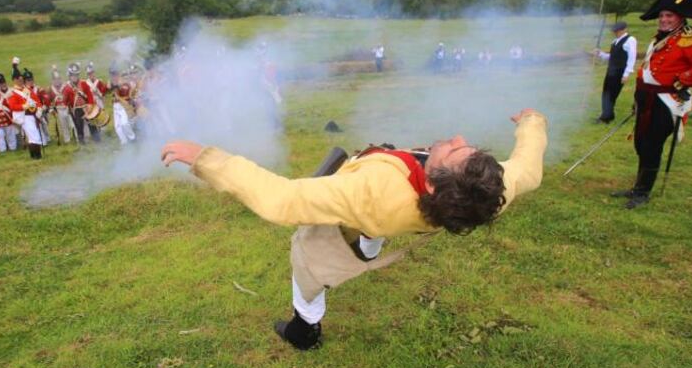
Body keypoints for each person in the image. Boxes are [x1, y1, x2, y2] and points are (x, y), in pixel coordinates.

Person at [161, 108, 548, 350]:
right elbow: (527, 169)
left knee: (306, 269)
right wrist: (532, 123)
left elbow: (282, 199)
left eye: (452, 151)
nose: (458, 139)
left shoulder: (369, 193)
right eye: (466, 147)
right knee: (371, 233)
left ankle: (304, 330)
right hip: (388, 219)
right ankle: (367, 244)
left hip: (368, 211)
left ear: (433, 184)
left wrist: (205, 159)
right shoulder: (488, 192)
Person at [612, 0, 692, 209]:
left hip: (665, 101)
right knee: (641, 144)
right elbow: (648, 70)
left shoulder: (688, 39)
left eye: (669, 16)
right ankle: (638, 186)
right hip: (647, 98)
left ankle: (642, 193)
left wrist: (682, 80)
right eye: (662, 15)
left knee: (652, 146)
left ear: (680, 18)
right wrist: (637, 98)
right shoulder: (662, 38)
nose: (664, 19)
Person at [592, 21, 637, 123]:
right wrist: (600, 54)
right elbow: (612, 57)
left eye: (618, 30)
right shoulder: (615, 41)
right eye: (615, 31)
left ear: (624, 29)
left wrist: (626, 74)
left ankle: (606, 117)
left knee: (612, 94)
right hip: (611, 71)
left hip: (620, 72)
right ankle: (607, 115)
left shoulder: (630, 40)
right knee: (606, 93)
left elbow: (632, 57)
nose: (616, 32)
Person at [6, 60, 44, 160]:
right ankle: (37, 155)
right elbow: (13, 106)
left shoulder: (27, 90)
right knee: (34, 136)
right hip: (24, 116)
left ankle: (34, 155)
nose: (21, 81)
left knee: (33, 136)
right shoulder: (12, 93)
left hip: (33, 115)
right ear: (14, 80)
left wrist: (39, 108)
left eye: (21, 80)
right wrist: (24, 106)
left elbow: (36, 99)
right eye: (18, 80)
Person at [47, 65, 74, 145]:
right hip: (59, 110)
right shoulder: (50, 89)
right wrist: (51, 109)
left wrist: (71, 107)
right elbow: (48, 101)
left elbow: (71, 98)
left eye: (58, 79)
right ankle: (67, 140)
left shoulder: (66, 87)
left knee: (72, 124)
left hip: (67, 108)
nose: (57, 81)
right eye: (55, 79)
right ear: (52, 80)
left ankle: (76, 136)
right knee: (64, 126)